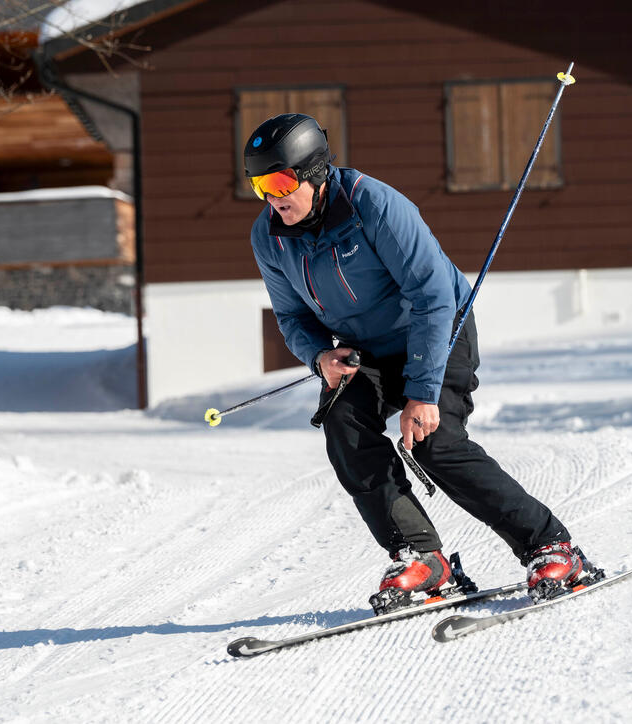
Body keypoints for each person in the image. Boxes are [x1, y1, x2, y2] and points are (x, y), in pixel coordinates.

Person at [244, 113, 603, 613]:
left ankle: (550, 545)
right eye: (259, 184)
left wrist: (423, 393)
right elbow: (290, 314)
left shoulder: (374, 205)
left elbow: (433, 296)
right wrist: (318, 355)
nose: (271, 196)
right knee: (344, 429)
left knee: (433, 441)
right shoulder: (270, 236)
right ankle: (421, 557)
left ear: (315, 172)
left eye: (280, 181)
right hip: (363, 349)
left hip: (436, 328)